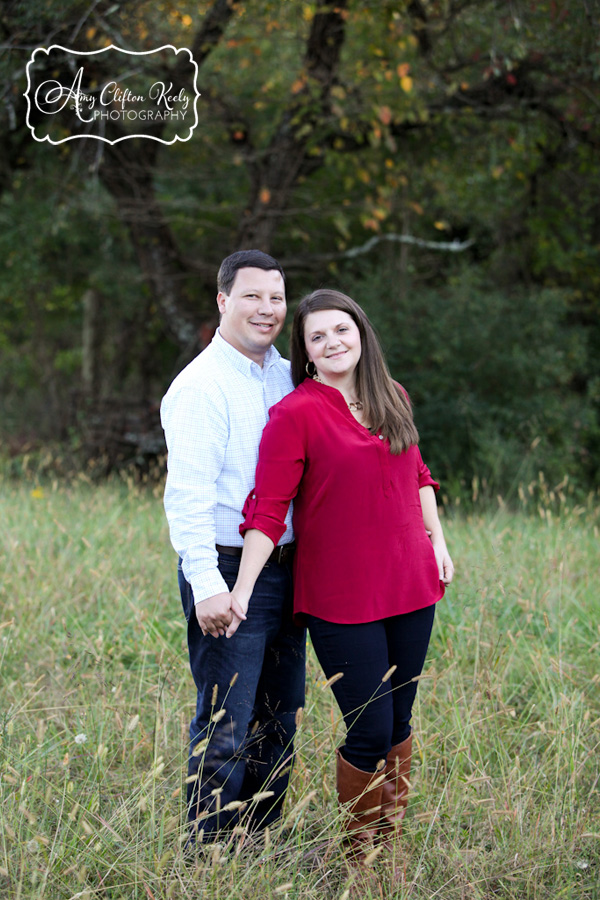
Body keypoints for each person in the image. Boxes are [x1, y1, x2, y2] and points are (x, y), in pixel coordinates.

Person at [226, 288, 453, 866]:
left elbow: (419, 474)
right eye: (317, 337)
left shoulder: (392, 395)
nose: (332, 343)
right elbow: (268, 509)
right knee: (370, 727)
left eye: (340, 331)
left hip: (411, 582)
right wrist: (243, 589)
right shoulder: (296, 412)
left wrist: (439, 543)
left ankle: (388, 847)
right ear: (304, 351)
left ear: (361, 333)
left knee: (401, 719)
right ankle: (357, 856)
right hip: (340, 596)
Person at [160, 250, 306, 845]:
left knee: (280, 717)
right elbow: (187, 495)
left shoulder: (292, 374)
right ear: (222, 301)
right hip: (226, 567)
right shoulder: (200, 386)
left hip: (292, 568)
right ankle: (208, 852)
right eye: (252, 296)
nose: (266, 309)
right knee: (226, 718)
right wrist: (207, 584)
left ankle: (258, 845)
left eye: (275, 297)